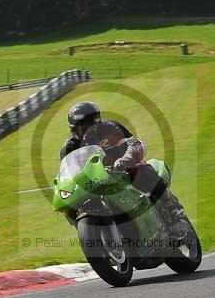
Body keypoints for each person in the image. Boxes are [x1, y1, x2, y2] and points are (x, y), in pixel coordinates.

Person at [60, 101, 189, 237]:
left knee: (140, 169)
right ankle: (93, 236)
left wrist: (126, 158)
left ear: (97, 121)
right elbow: (68, 172)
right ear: (73, 128)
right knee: (72, 204)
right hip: (95, 182)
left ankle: (173, 210)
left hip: (122, 171)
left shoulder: (110, 128)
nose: (85, 130)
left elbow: (133, 143)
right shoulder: (69, 148)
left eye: (88, 124)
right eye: (80, 126)